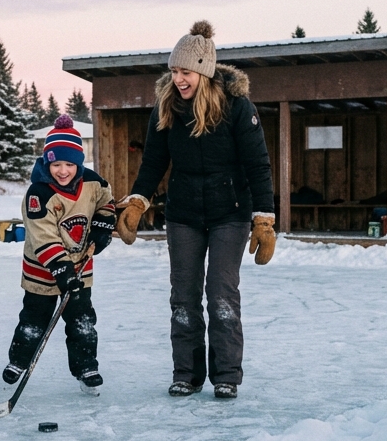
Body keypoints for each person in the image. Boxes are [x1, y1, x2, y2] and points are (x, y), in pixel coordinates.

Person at [115, 21, 276, 400]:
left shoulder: (238, 108)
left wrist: (264, 218)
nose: (178, 79)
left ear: (203, 71)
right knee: (183, 296)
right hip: (184, 213)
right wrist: (139, 200)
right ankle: (186, 373)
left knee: (221, 291)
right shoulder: (166, 108)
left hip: (230, 213)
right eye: (173, 71)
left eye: (185, 72)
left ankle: (226, 375)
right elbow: (154, 162)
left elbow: (258, 165)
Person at [3, 115, 116, 394]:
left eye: (69, 164)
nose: (63, 171)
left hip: (79, 268)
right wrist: (60, 268)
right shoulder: (38, 193)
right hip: (42, 270)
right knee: (33, 320)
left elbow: (107, 202)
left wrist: (103, 226)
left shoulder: (93, 183)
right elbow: (43, 236)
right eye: (56, 164)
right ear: (46, 163)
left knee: (82, 321)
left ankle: (86, 366)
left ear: (79, 162)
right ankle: (19, 361)